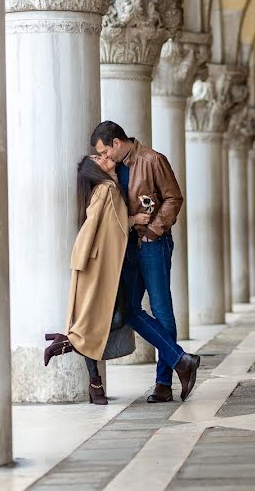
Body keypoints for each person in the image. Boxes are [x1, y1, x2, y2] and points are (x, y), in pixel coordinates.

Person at [91, 120, 201, 403]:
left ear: (117, 143)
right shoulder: (112, 171)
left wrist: (153, 231)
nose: (104, 158)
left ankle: (163, 383)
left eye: (105, 151)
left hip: (154, 244)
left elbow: (173, 198)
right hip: (127, 248)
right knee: (127, 310)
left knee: (162, 310)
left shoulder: (153, 159)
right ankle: (182, 360)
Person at [43, 154, 150, 405]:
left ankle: (69, 343)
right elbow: (99, 225)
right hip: (98, 265)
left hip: (105, 265)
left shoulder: (109, 188)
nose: (104, 158)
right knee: (104, 318)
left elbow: (108, 224)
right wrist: (135, 220)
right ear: (94, 171)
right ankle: (92, 380)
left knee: (103, 319)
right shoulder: (106, 188)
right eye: (99, 159)